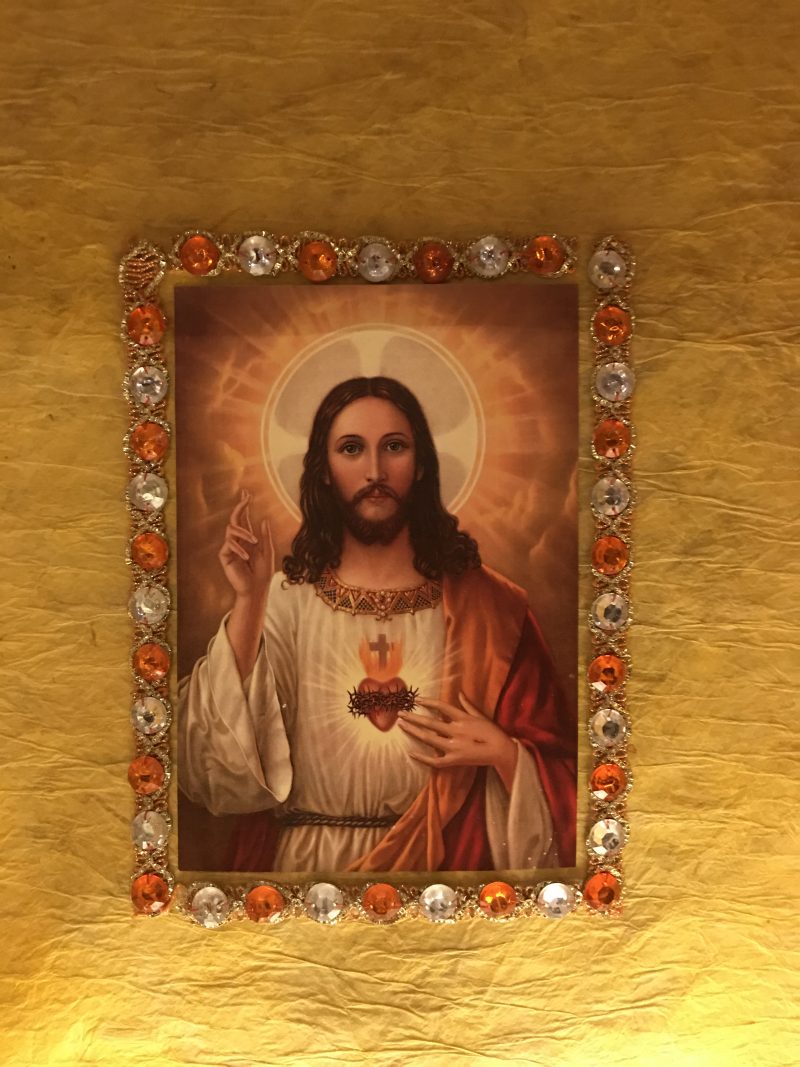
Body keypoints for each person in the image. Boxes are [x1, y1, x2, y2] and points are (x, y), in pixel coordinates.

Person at [178, 376, 576, 873]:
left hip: (440, 869)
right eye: (351, 449)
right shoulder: (282, 599)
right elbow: (215, 766)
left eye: (394, 447)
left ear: (421, 464)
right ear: (324, 471)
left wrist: (506, 756)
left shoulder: (491, 609)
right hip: (307, 873)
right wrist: (248, 601)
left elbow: (568, 782)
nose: (375, 471)